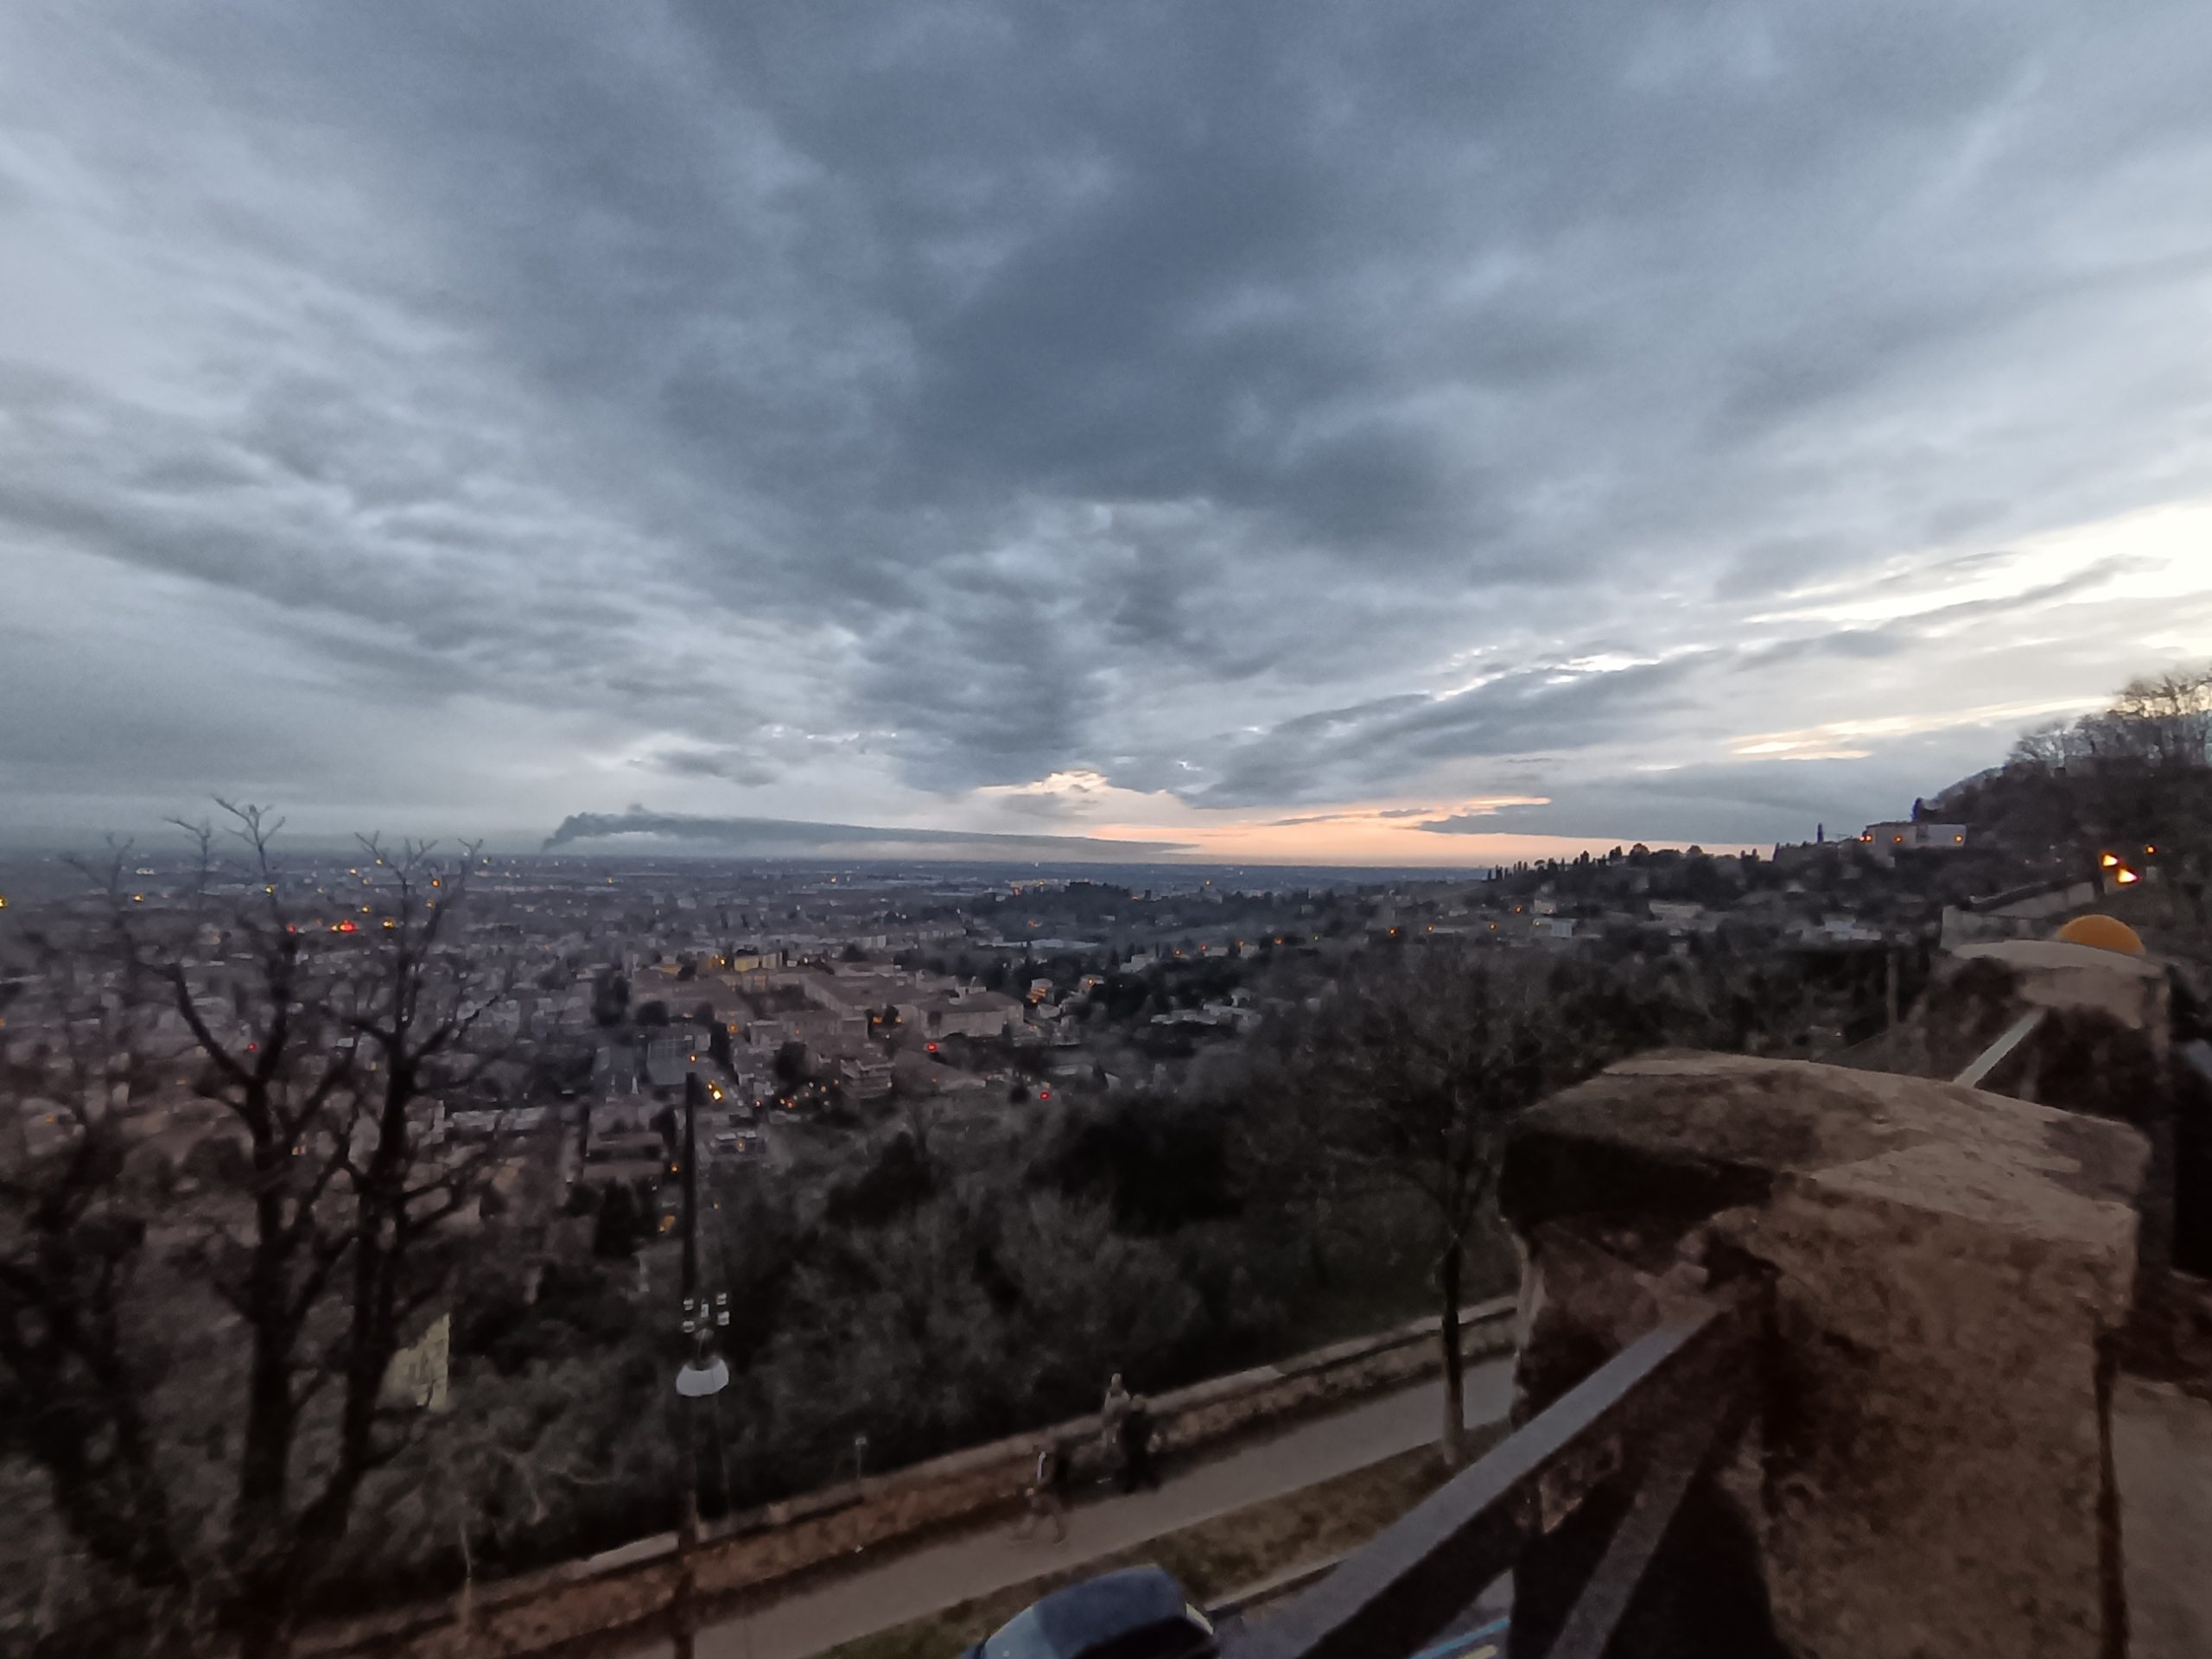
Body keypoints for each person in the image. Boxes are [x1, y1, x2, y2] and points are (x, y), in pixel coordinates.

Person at [1117, 1395, 1160, 1494]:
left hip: (1135, 1446)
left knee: (1137, 1467)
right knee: (1140, 1466)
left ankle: (1133, 1487)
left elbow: (1124, 1433)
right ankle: (1151, 1482)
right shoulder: (1141, 1418)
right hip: (1138, 1446)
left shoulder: (1131, 1418)